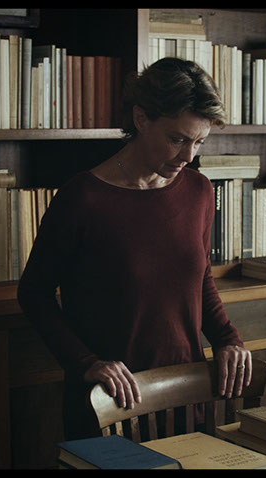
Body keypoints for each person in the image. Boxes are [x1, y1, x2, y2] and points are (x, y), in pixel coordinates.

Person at [17, 57, 251, 440]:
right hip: (110, 401)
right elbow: (33, 293)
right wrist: (86, 363)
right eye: (178, 139)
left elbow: (200, 277)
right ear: (141, 119)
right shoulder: (83, 198)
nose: (189, 156)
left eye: (199, 142)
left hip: (184, 395)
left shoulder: (199, 191)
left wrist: (227, 339)